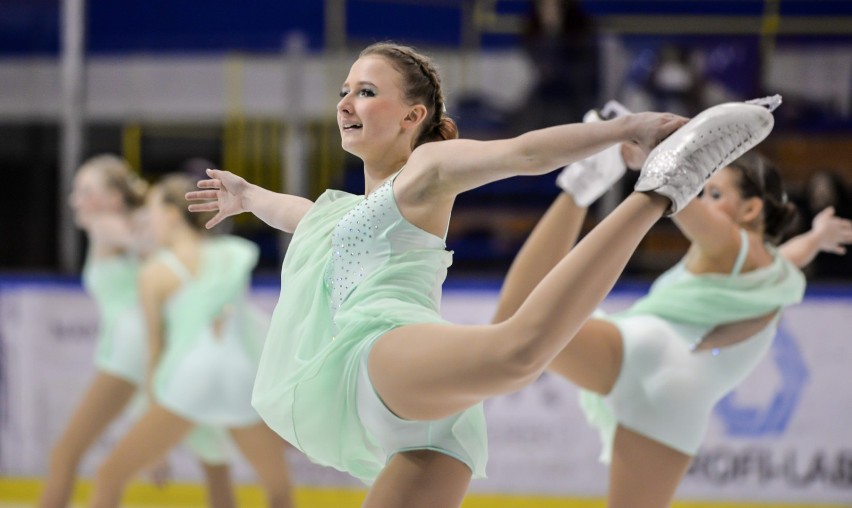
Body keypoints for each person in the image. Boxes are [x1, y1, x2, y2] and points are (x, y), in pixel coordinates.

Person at [186, 42, 776, 507]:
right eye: (343, 90)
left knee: (516, 352)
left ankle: (659, 191)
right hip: (423, 422)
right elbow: (300, 214)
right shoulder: (341, 211)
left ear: (413, 115)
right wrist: (248, 195)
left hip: (385, 350)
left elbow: (522, 153)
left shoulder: (427, 166)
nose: (345, 102)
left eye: (366, 92)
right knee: (513, 351)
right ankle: (618, 188)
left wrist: (627, 130)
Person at [491, 104, 852, 508]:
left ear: (750, 210)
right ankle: (584, 185)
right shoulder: (773, 266)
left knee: (518, 320)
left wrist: (646, 150)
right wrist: (817, 237)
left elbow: (676, 187)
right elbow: (794, 253)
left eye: (715, 193)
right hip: (677, 405)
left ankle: (581, 187)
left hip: (645, 356)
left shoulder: (729, 245)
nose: (703, 194)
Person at [41, 155, 237, 508]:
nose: (76, 200)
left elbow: (143, 240)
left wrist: (156, 227)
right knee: (212, 456)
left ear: (114, 198)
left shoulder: (108, 226)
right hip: (150, 346)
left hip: (126, 352)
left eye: (86, 191)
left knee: (66, 453)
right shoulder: (144, 224)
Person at [88, 174, 294, 508]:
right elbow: (250, 328)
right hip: (239, 379)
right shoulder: (233, 254)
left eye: (152, 210)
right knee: (276, 488)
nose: (148, 221)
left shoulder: (154, 272)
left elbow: (155, 351)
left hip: (190, 378)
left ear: (171, 214)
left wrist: (153, 431)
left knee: (110, 476)